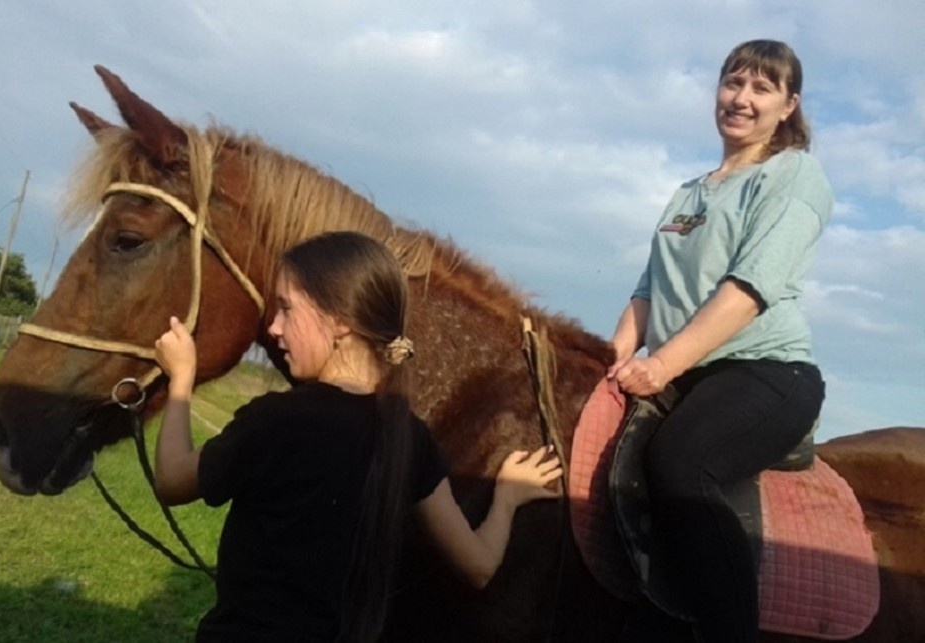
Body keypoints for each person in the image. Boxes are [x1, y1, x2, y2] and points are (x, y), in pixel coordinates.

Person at [153, 230, 562, 643]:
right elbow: (479, 567)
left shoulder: (275, 421)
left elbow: (172, 480)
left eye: (286, 309)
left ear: (340, 322)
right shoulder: (410, 440)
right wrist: (506, 498)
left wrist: (182, 378)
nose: (274, 328)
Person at [607, 40, 831, 643]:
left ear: (788, 106)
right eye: (734, 83)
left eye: (762, 88)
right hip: (690, 373)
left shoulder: (792, 175)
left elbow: (748, 288)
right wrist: (614, 358)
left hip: (765, 372)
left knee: (681, 463)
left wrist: (662, 366)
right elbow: (649, 288)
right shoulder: (689, 191)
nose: (742, 99)